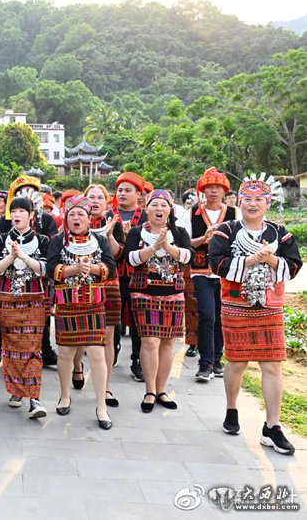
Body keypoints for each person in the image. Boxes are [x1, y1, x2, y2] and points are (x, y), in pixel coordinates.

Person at [210, 174, 300, 454]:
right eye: (247, 198)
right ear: (238, 201)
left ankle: (272, 427)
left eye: (259, 199)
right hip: (236, 305)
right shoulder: (226, 230)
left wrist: (271, 259)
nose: (253, 203)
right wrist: (250, 259)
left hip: (270, 306)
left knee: (272, 365)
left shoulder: (280, 233)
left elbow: (294, 265)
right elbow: (217, 264)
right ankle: (231, 408)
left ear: (268, 203)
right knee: (237, 362)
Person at [47, 194, 116, 431]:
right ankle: (64, 396)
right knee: (65, 352)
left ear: (89, 218)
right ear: (66, 218)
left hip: (93, 304)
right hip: (67, 304)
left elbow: (111, 268)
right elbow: (50, 268)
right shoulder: (58, 241)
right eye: (72, 214)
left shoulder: (99, 240)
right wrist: (73, 269)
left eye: (81, 214)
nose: (76, 218)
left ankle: (101, 406)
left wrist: (92, 268)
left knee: (97, 354)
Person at [125, 190, 193, 413]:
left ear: (170, 210)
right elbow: (131, 259)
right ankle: (150, 390)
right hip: (143, 293)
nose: (159, 209)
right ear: (147, 209)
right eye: (154, 205)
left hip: (173, 293)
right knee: (150, 341)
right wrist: (154, 247)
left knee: (168, 343)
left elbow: (187, 257)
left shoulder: (179, 232)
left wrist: (167, 246)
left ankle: (162, 389)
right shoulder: (137, 232)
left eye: (164, 205)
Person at [0, 197, 50, 418]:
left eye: (22, 211)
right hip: (7, 300)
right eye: (13, 211)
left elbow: (43, 269)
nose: (17, 214)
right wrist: (11, 255)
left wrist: (23, 256)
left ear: (31, 215)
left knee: (33, 347)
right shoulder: (1, 238)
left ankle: (34, 399)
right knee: (11, 346)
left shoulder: (42, 240)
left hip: (34, 300)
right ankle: (16, 391)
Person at [182, 167, 238, 383]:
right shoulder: (191, 214)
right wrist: (203, 239)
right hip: (200, 272)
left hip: (225, 273)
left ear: (224, 190)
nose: (213, 191)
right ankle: (205, 363)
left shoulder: (235, 213)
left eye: (218, 187)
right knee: (206, 315)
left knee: (221, 317)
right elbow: (183, 244)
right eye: (209, 187)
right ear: (203, 190)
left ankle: (217, 359)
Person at [83, 184, 123, 407]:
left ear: (107, 201)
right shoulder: (76, 219)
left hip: (108, 283)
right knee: (79, 336)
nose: (95, 201)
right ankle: (77, 368)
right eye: (91, 197)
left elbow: (118, 254)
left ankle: (105, 387)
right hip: (80, 284)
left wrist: (108, 235)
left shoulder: (113, 221)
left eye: (100, 197)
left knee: (107, 337)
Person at [113, 171, 149, 383]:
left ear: (138, 194)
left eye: (128, 190)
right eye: (120, 190)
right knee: (113, 315)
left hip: (138, 274)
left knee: (137, 319)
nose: (123, 194)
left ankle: (137, 360)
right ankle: (113, 348)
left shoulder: (147, 217)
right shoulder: (110, 216)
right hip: (114, 274)